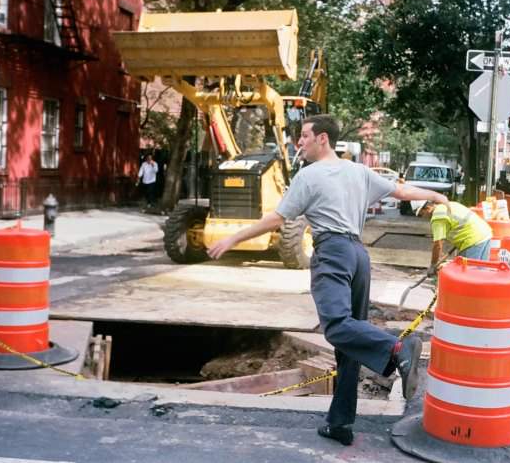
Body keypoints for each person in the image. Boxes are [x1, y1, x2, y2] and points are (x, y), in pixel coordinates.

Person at [207, 114, 448, 446]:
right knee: (349, 342)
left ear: (322, 139)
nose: (299, 142)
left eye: (304, 136)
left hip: (332, 252)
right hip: (358, 256)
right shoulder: (360, 171)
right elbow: (402, 191)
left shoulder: (309, 175)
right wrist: (437, 197)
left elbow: (278, 217)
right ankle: (340, 423)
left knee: (336, 326)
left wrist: (233, 239)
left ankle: (397, 347)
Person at [412, 200, 493, 272]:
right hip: (485, 233)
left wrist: (433, 265)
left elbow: (438, 245)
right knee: (481, 273)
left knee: (469, 275)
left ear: (428, 208)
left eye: (421, 214)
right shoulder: (447, 204)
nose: (423, 217)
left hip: (473, 240)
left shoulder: (438, 217)